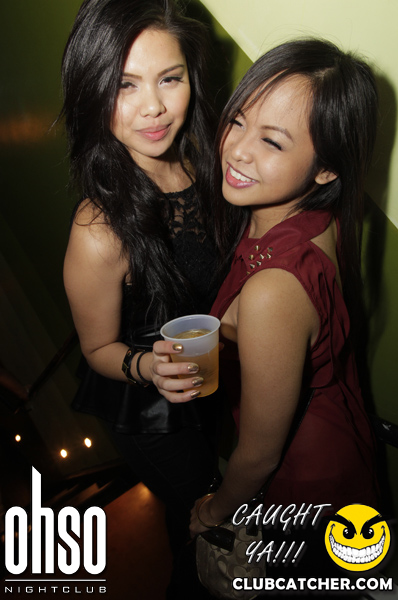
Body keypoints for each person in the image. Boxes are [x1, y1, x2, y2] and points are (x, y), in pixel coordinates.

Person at [152, 38, 380, 584]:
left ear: (327, 169)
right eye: (238, 121)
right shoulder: (312, 217)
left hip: (304, 495)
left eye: (272, 141)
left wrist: (213, 510)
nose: (237, 150)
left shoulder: (273, 290)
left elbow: (257, 457)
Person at [61, 0, 222, 575]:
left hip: (211, 383)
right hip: (150, 410)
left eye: (169, 79)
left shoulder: (210, 163)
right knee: (205, 525)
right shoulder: (98, 230)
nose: (153, 106)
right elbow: (96, 348)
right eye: (124, 85)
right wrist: (150, 367)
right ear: (92, 92)